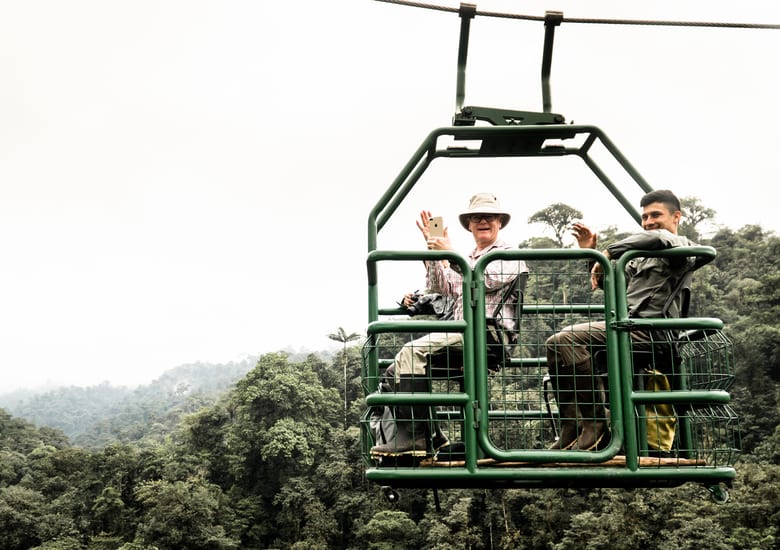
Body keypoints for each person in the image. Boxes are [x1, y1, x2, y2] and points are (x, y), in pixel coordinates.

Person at [370, 193, 528, 457]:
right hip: (459, 332)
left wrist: (449, 254)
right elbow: (441, 288)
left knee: (411, 353)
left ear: (500, 221)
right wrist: (433, 253)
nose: (483, 221)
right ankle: (434, 437)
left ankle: (415, 439)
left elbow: (484, 279)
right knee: (394, 370)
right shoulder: (465, 257)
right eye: (476, 217)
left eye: (489, 216)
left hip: (486, 334)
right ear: (468, 225)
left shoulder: (509, 255)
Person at [546, 189, 695, 452]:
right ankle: (572, 424)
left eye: (655, 215)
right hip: (627, 329)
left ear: (677, 216)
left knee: (567, 338)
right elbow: (611, 280)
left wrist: (608, 251)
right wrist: (591, 255)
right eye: (645, 217)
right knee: (555, 345)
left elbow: (660, 237)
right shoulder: (640, 258)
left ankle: (595, 422)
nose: (648, 222)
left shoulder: (680, 247)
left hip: (651, 334)